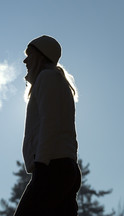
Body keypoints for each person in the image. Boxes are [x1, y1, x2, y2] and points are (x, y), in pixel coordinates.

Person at [14, 35, 81, 216]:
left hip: (52, 168)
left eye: (30, 55)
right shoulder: (57, 81)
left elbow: (49, 122)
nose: (25, 60)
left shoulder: (47, 78)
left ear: (41, 56)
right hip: (64, 167)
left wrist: (41, 164)